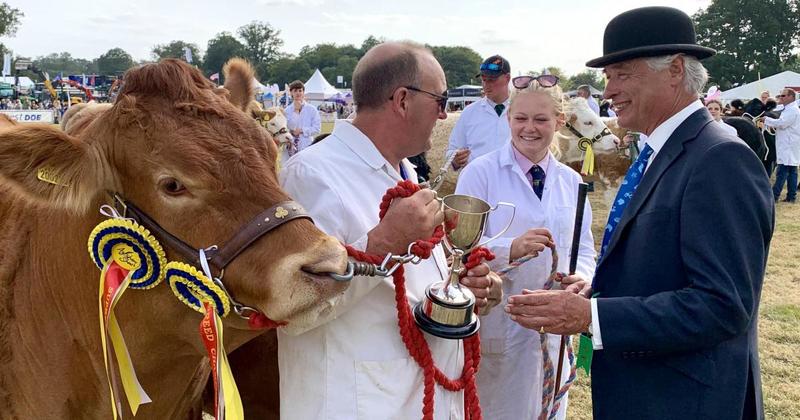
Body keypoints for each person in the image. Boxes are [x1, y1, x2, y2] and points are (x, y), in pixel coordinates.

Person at [505, 7, 773, 420]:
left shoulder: (719, 158)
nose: (608, 91)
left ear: (675, 70)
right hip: (646, 392)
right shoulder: (659, 151)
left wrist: (591, 316)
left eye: (622, 74)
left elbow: (723, 305)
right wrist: (595, 292)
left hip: (683, 401)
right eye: (609, 77)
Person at [279, 41, 502, 420]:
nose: (445, 115)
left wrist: (460, 284)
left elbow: (406, 283)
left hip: (413, 397)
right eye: (441, 100)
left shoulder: (404, 171)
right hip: (358, 404)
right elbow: (295, 308)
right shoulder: (310, 174)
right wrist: (385, 242)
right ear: (402, 100)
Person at [455, 74, 596, 420]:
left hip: (554, 331)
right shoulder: (480, 173)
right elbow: (457, 252)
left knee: (548, 410)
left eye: (541, 119)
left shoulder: (572, 181)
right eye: (520, 118)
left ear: (559, 122)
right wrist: (509, 248)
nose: (529, 128)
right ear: (509, 120)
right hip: (498, 327)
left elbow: (586, 248)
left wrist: (582, 278)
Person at [446, 55, 512, 170]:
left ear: (507, 78)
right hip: (477, 183)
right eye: (483, 80)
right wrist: (455, 159)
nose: (486, 85)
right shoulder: (469, 112)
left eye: (492, 80)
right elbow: (452, 149)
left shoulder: (521, 111)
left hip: (512, 183)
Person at [764, 88, 800, 203]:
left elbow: (782, 123)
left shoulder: (792, 110)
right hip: (789, 143)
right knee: (792, 171)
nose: (780, 98)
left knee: (782, 171)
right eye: (780, 96)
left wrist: (766, 120)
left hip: (788, 144)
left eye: (783, 96)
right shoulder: (788, 109)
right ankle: (791, 196)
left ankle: (774, 196)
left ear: (791, 97)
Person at [284, 80, 321, 157]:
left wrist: (302, 130)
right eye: (295, 91)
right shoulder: (287, 110)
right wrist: (296, 111)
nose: (298, 93)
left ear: (303, 92)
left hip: (307, 146)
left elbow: (317, 128)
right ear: (291, 93)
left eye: (300, 90)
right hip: (291, 147)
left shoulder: (312, 109)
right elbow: (288, 127)